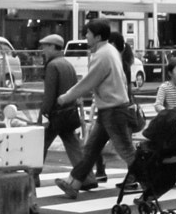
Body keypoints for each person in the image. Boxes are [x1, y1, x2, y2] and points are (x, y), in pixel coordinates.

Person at [53, 20, 138, 199]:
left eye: (88, 33)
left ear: (97, 36)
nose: (85, 37)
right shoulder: (111, 51)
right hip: (112, 108)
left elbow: (89, 81)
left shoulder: (102, 55)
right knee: (91, 148)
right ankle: (73, 184)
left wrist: (66, 97)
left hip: (112, 109)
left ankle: (151, 183)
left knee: (125, 150)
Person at [36, 35, 89, 178]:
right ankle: (86, 177)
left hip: (55, 114)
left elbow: (50, 94)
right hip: (68, 113)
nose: (43, 50)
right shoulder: (67, 64)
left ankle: (32, 177)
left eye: (46, 46)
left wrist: (44, 114)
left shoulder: (53, 66)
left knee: (39, 144)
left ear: (53, 47)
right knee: (74, 147)